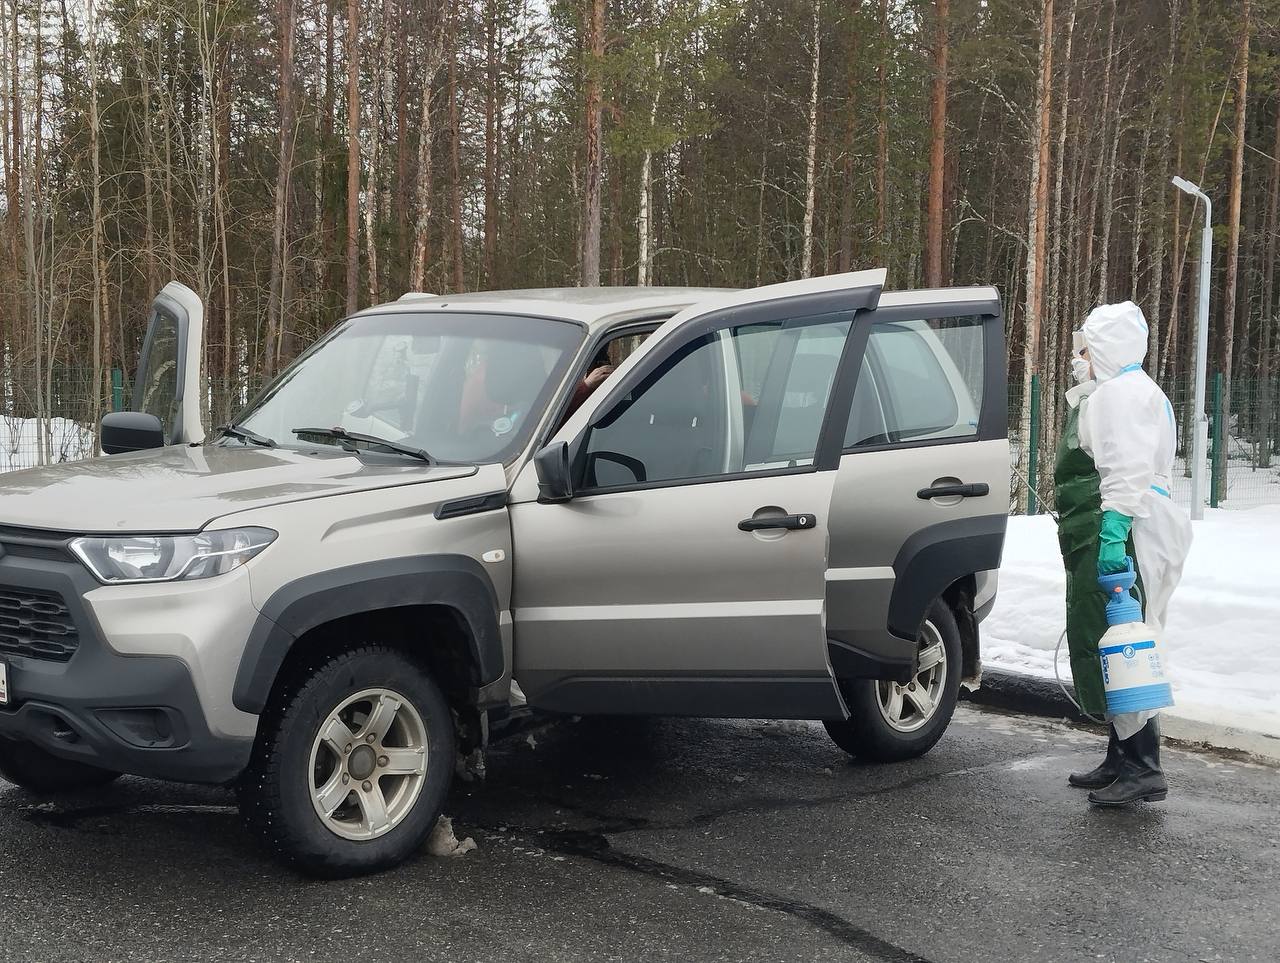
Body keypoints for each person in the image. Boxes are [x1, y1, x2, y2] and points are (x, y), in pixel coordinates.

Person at [1054, 301, 1193, 807]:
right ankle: (1121, 755)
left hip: (1131, 527)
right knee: (1114, 637)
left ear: (1105, 349)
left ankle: (1143, 767)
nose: (1079, 359)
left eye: (1085, 350)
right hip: (1134, 522)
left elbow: (1127, 469)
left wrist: (1113, 534)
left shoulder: (1121, 394)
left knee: (1126, 645)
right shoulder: (1124, 391)